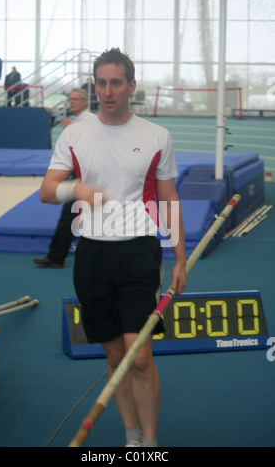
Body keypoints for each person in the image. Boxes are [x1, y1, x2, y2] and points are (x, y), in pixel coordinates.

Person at [39, 48, 187, 447]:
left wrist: (180, 258)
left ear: (131, 86)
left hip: (139, 251)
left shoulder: (157, 136)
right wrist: (77, 189)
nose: (108, 91)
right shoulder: (75, 134)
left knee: (139, 356)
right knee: (114, 356)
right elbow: (47, 191)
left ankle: (151, 445)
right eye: (101, 83)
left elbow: (169, 200)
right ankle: (132, 436)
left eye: (116, 83)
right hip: (92, 254)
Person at [34, 88, 95, 268]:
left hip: (87, 174)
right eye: (71, 99)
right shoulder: (78, 121)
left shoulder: (90, 120)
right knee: (69, 216)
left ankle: (57, 256)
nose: (72, 102)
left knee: (73, 216)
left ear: (85, 102)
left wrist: (70, 128)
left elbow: (89, 144)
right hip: (79, 173)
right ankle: (56, 256)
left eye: (76, 99)